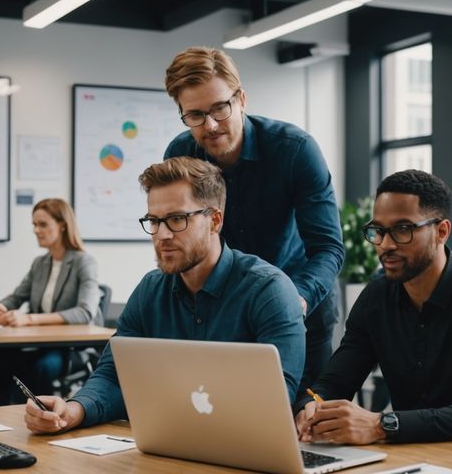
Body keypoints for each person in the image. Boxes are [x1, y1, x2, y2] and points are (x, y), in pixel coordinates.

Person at [23, 157, 305, 433]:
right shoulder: (150, 290)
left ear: (215, 221)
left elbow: (276, 398)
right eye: (154, 221)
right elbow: (113, 375)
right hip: (164, 443)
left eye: (177, 219)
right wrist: (73, 411)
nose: (162, 235)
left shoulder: (269, 290)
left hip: (243, 446)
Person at [293, 170, 452, 445]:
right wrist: (310, 406)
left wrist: (383, 425)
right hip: (407, 454)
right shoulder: (375, 298)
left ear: (441, 232)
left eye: (403, 229)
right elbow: (334, 383)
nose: (386, 244)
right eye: (378, 231)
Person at [162, 47, 344, 391]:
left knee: (307, 416)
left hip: (301, 307)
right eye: (195, 115)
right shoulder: (180, 155)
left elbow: (328, 249)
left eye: (220, 108)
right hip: (227, 313)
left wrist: (292, 301)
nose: (210, 125)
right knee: (224, 412)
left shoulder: (295, 150)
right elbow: (184, 237)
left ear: (241, 99)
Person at [0, 198, 102, 406]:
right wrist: (2, 307)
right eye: (34, 224)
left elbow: (85, 312)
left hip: (69, 349)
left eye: (42, 224)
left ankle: (41, 416)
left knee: (37, 367)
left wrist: (29, 319)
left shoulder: (84, 262)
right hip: (38, 343)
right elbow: (17, 296)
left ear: (62, 225)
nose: (36, 230)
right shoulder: (40, 263)